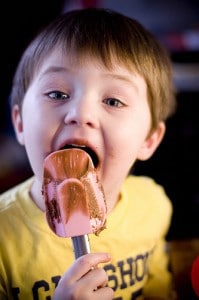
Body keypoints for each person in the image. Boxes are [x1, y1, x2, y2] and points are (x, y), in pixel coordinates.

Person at [0, 7, 177, 300]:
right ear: (19, 123)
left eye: (113, 100)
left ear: (149, 139)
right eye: (57, 94)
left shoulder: (153, 206)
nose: (81, 114)